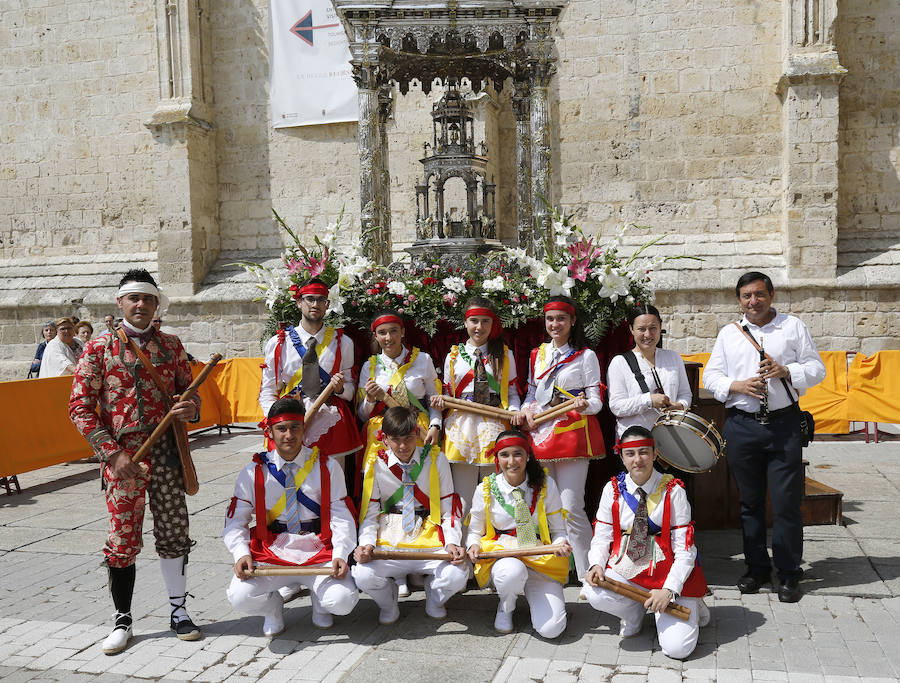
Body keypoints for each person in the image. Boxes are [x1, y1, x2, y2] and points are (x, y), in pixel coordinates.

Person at [69, 269, 201, 654]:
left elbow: (190, 397)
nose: (141, 305)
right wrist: (113, 454)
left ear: (157, 304)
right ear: (120, 302)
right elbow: (79, 407)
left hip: (167, 457)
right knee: (123, 540)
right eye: (134, 298)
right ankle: (122, 619)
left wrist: (190, 408)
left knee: (174, 532)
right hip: (124, 460)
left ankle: (179, 611)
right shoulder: (98, 349)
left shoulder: (173, 346)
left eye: (148, 298)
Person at [703, 271, 825, 602]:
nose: (753, 301)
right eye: (746, 296)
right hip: (742, 425)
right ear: (739, 300)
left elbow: (817, 369)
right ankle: (756, 567)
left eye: (759, 294)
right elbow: (711, 376)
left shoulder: (793, 327)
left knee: (786, 504)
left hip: (783, 425)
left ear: (771, 296)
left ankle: (788, 574)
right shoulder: (729, 334)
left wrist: (788, 371)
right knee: (750, 503)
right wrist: (737, 386)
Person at [224, 398, 359, 636]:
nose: (289, 434)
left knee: (343, 601)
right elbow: (236, 522)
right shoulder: (253, 471)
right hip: (272, 550)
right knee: (239, 596)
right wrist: (241, 553)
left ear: (304, 429)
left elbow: (341, 515)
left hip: (319, 547)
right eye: (281, 428)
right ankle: (273, 608)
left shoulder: (327, 465)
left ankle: (321, 601)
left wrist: (341, 553)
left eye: (295, 427)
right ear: (270, 432)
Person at [583, 426, 709, 659]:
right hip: (630, 565)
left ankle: (690, 603)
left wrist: (669, 590)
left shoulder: (674, 491)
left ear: (655, 454)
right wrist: (596, 564)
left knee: (677, 650)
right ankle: (633, 613)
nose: (637, 459)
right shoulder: (612, 489)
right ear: (621, 456)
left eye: (643, 452)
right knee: (594, 591)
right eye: (630, 453)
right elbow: (602, 535)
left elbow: (685, 550)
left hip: (668, 570)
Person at [356, 310, 445, 596]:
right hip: (382, 437)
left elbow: (435, 399)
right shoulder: (370, 366)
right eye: (382, 333)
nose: (388, 337)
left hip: (415, 432)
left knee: (419, 487)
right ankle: (394, 565)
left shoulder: (423, 360)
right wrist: (370, 400)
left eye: (394, 331)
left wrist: (435, 424)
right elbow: (360, 413)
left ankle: (418, 554)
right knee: (385, 493)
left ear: (403, 332)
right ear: (376, 337)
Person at [353, 407, 468, 623]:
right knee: (362, 574)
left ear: (417, 434)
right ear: (385, 439)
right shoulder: (374, 464)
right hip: (390, 538)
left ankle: (435, 598)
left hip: (429, 534)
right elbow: (370, 513)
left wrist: (452, 542)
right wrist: (366, 543)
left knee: (457, 574)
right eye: (396, 439)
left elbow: (448, 508)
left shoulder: (436, 459)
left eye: (408, 438)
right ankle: (388, 602)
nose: (403, 446)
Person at [520, 296, 606, 580]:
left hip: (572, 435)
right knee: (544, 504)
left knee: (571, 507)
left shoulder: (585, 356)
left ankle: (587, 573)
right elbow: (532, 394)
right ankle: (551, 571)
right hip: (542, 434)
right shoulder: (536, 355)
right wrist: (526, 411)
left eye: (561, 319)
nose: (555, 324)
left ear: (572, 321)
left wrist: (583, 406)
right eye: (550, 319)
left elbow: (596, 402)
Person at [466, 430, 571, 637]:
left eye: (517, 454)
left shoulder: (546, 484)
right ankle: (506, 606)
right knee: (512, 572)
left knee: (552, 630)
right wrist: (474, 545)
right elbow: (474, 531)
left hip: (540, 558)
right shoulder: (485, 489)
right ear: (496, 458)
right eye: (504, 455)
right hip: (504, 557)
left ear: (528, 455)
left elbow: (559, 530)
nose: (511, 461)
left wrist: (561, 544)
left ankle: (535, 601)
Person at [432, 297, 523, 514]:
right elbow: (446, 393)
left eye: (485, 321)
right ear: (465, 323)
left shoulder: (504, 354)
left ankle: (495, 543)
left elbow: (511, 393)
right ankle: (462, 544)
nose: (479, 327)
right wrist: (439, 403)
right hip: (461, 428)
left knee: (496, 493)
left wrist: (513, 412)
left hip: (494, 426)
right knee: (463, 497)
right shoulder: (453, 356)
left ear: (492, 324)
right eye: (474, 321)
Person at [259, 278, 362, 462]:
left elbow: (350, 391)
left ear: (327, 305)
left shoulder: (343, 342)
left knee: (332, 482)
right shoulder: (279, 343)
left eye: (321, 300)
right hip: (290, 423)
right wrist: (276, 421)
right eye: (310, 299)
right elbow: (268, 390)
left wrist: (339, 389)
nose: (315, 304)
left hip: (330, 424)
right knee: (291, 483)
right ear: (299, 302)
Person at [607, 304, 692, 438]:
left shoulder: (673, 357)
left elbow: (685, 394)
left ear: (660, 327)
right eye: (641, 329)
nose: (648, 334)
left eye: (653, 328)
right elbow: (616, 406)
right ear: (631, 329)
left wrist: (680, 405)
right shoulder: (619, 362)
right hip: (635, 442)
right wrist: (648, 400)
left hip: (670, 440)